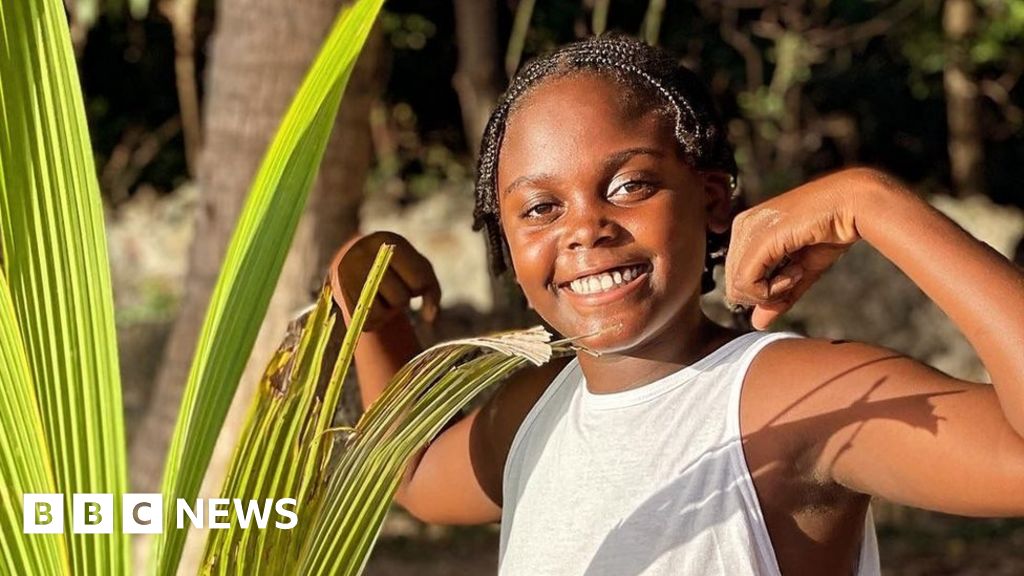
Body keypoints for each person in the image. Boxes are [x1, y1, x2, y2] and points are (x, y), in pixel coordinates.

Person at [329, 36, 1024, 575]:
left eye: (629, 186)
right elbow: (414, 475)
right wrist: (372, 308)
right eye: (541, 207)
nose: (583, 228)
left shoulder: (787, 395)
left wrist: (871, 204)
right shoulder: (536, 410)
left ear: (713, 201)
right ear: (507, 246)